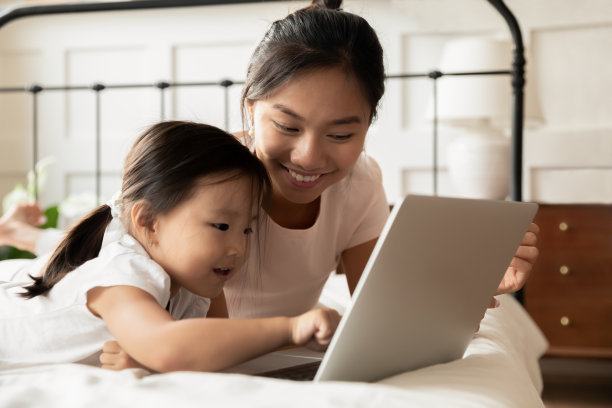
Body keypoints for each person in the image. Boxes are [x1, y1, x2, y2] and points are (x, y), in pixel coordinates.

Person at [0, 0, 538, 368]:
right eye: (286, 126)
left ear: (369, 125)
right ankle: (23, 239)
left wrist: (470, 285)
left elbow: (384, 323)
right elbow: (111, 257)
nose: (309, 156)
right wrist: (288, 329)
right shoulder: (195, 185)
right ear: (249, 107)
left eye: (343, 132)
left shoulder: (359, 186)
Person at [0, 121, 341, 372]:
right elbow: (168, 347)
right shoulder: (124, 276)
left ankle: (16, 230)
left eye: (248, 230)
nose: (237, 247)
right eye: (221, 226)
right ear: (149, 222)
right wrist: (291, 327)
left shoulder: (198, 279)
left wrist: (146, 356)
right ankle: (16, 230)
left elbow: (211, 342)